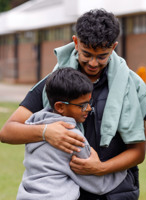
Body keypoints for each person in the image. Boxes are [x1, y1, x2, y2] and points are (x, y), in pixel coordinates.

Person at [0, 9, 146, 200]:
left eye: (102, 56)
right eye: (87, 54)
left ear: (113, 47)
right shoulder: (55, 83)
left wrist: (100, 168)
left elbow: (138, 152)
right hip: (69, 191)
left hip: (118, 191)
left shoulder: (133, 86)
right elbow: (7, 132)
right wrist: (46, 132)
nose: (93, 63)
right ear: (76, 42)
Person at [17, 67, 127, 200]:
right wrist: (122, 171)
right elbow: (98, 184)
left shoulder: (36, 125)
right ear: (60, 106)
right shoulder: (72, 137)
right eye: (82, 105)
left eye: (89, 102)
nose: (88, 108)